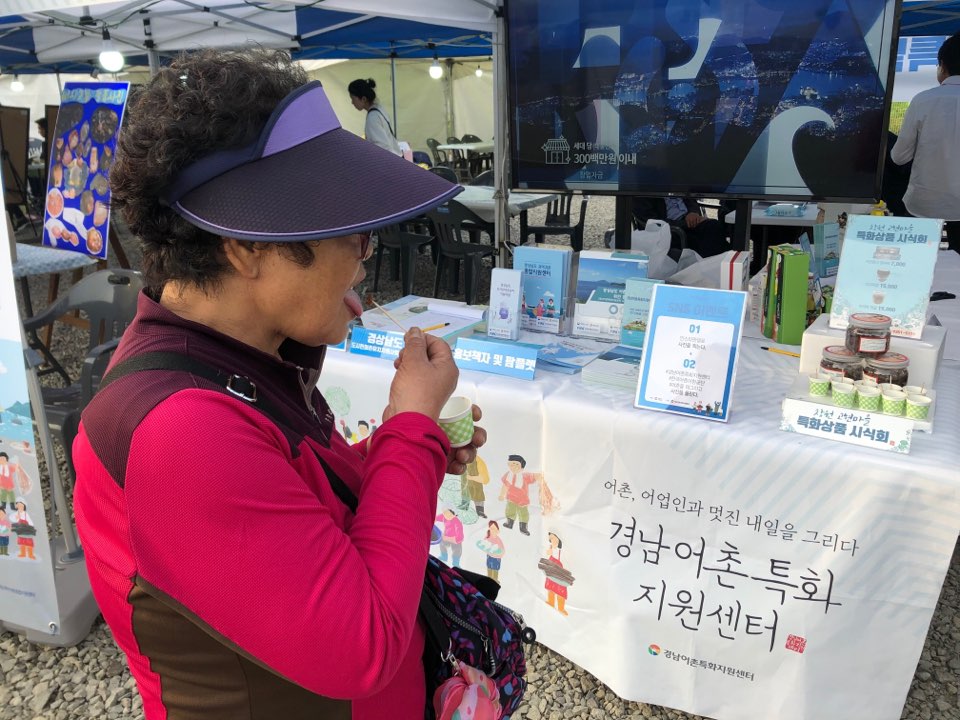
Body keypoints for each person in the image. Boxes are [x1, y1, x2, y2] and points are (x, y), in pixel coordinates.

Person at [72, 48, 485, 720]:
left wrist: (406, 449)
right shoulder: (180, 429)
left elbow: (295, 505)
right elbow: (362, 646)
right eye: (343, 230)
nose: (365, 251)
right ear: (246, 246)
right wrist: (409, 428)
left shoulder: (243, 357)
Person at [891, 31, 960, 252]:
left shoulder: (923, 100)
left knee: (920, 264)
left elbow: (899, 157)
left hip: (924, 205)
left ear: (942, 65)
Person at [631, 196, 730, 258]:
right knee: (712, 236)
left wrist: (693, 212)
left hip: (689, 222)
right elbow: (651, 221)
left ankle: (718, 269)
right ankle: (708, 272)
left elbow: (690, 198)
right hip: (670, 231)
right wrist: (685, 224)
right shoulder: (643, 187)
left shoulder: (676, 178)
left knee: (714, 227)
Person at [347, 78, 402, 156]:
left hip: (389, 162)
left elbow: (382, 148)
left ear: (363, 99)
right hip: (396, 157)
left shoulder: (373, 118)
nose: (352, 102)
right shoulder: (379, 109)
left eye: (353, 99)